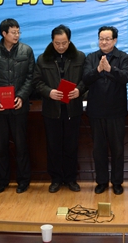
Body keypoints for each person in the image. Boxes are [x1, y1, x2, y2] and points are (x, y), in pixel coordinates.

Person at [0, 18, 34, 194]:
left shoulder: (26, 51)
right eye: (13, 32)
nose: (17, 35)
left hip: (19, 107)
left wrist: (21, 96)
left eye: (18, 32)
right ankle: (2, 181)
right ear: (4, 33)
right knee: (1, 146)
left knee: (21, 145)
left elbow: (31, 77)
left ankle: (23, 180)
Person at [34, 25, 86, 193]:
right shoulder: (43, 59)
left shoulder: (80, 57)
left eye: (64, 43)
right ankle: (56, 179)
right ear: (52, 41)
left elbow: (86, 79)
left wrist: (79, 90)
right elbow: (36, 82)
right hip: (52, 109)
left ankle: (71, 179)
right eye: (57, 43)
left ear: (69, 41)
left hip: (73, 109)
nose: (61, 46)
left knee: (71, 146)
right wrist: (49, 92)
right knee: (53, 146)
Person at [83, 26, 128, 195]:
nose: (103, 42)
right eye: (101, 39)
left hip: (116, 111)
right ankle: (101, 181)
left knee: (118, 149)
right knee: (99, 149)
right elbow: (85, 78)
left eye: (107, 39)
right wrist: (98, 70)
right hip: (96, 111)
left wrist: (111, 69)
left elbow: (126, 77)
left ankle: (117, 182)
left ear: (115, 40)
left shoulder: (123, 57)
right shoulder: (91, 57)